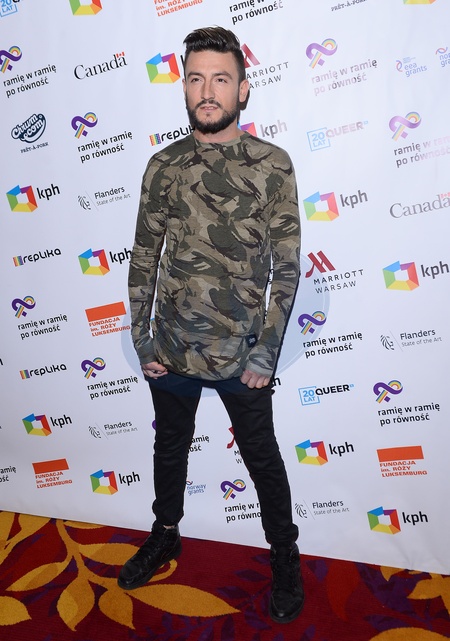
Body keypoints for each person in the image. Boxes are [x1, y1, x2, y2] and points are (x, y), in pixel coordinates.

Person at [118, 26, 303, 624]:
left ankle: (284, 554)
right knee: (169, 448)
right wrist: (143, 339)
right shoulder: (163, 166)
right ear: (184, 87)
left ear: (243, 90)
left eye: (220, 79)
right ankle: (165, 532)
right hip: (171, 349)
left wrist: (265, 354)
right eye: (196, 78)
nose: (207, 91)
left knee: (262, 458)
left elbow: (287, 267)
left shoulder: (272, 165)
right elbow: (143, 257)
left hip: (241, 356)